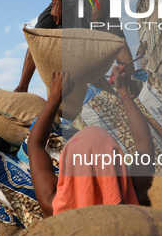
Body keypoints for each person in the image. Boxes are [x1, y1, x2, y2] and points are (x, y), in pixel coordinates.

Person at [27, 68, 154, 218]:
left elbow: (34, 144)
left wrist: (55, 97)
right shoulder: (135, 194)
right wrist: (123, 91)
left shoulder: (54, 206)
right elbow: (143, 144)